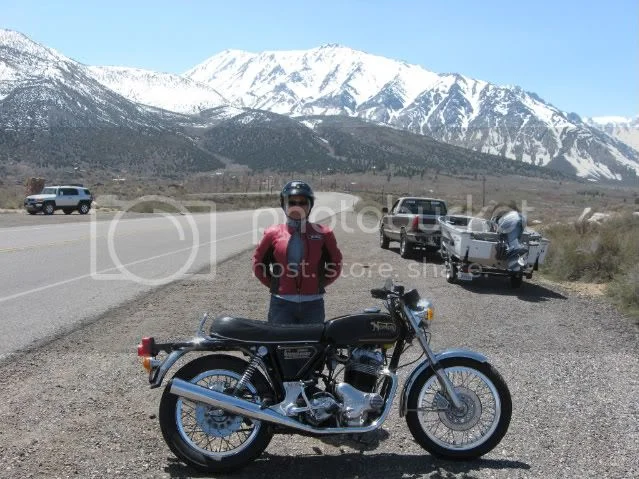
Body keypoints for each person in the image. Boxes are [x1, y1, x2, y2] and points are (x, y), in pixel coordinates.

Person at [253, 180, 343, 324]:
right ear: (284, 205)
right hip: (281, 304)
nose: (297, 207)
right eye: (292, 202)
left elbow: (336, 263)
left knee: (312, 338)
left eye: (303, 202)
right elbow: (258, 263)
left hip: (313, 304)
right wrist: (275, 285)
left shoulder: (323, 233)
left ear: (310, 205)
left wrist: (318, 283)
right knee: (280, 338)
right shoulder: (272, 233)